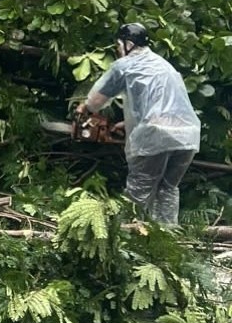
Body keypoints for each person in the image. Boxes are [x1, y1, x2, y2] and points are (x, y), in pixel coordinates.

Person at [75, 22, 200, 225]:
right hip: (187, 136)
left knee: (138, 191)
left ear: (128, 44)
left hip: (156, 138)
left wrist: (84, 109)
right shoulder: (163, 65)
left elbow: (95, 101)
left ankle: (124, 238)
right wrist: (126, 124)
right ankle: (168, 242)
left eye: (118, 45)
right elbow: (164, 107)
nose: (118, 50)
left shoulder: (125, 66)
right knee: (167, 189)